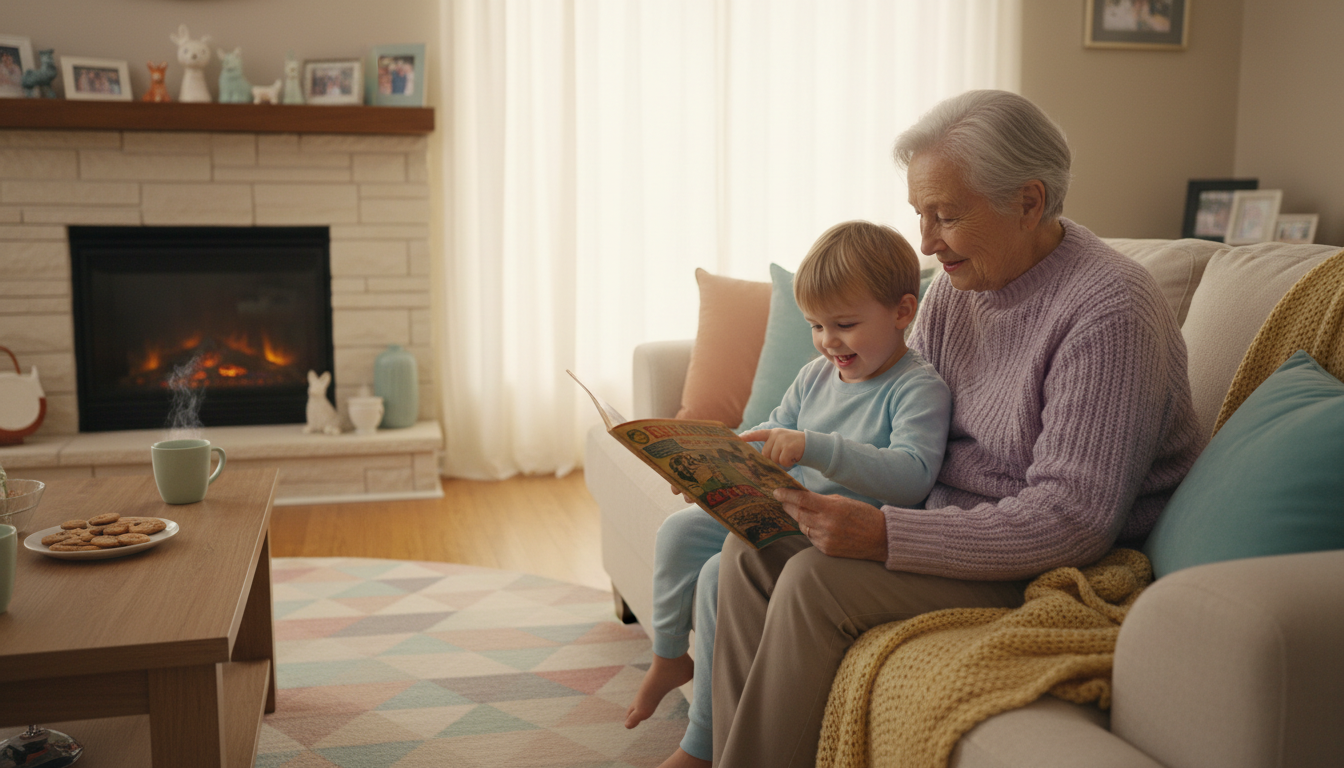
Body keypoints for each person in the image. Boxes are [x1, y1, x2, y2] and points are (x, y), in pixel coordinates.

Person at [710, 90, 1205, 766]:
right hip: (942, 516)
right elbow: (903, 429)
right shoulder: (954, 290)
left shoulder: (1109, 310)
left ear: (1029, 202)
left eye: (945, 216)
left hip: (1046, 554)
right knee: (751, 551)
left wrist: (886, 533)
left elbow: (1073, 517)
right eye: (920, 214)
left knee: (811, 582)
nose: (925, 242)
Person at [625, 221, 953, 768]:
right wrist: (709, 470)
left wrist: (815, 447)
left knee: (716, 575)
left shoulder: (918, 387)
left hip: (839, 534)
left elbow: (913, 474)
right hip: (783, 511)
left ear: (902, 312)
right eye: (816, 326)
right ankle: (667, 656)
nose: (829, 342)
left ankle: (699, 746)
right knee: (681, 532)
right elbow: (766, 432)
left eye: (845, 325)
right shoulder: (814, 376)